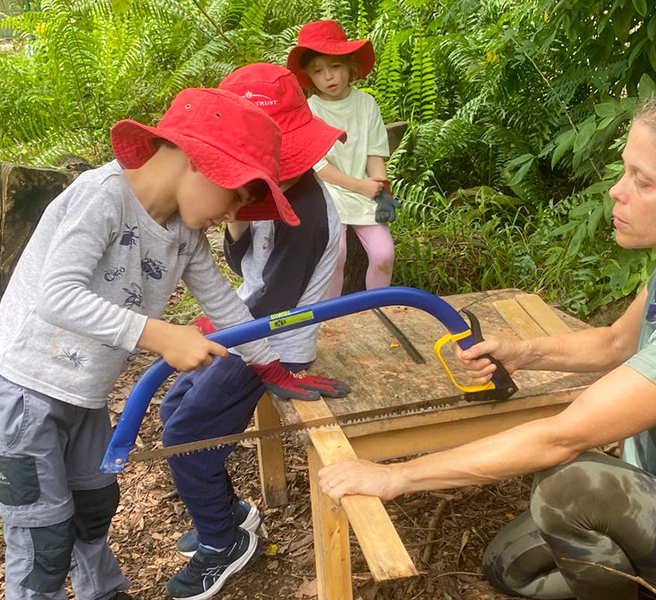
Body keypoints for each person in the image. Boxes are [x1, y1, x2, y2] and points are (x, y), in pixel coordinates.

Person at [316, 89, 656, 600]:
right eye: (625, 170)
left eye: (643, 181)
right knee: (508, 567)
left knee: (569, 484)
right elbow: (617, 341)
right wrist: (520, 353)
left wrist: (396, 476)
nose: (617, 192)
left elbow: (560, 437)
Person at [0, 87, 307, 600]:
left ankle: (102, 590)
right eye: (236, 196)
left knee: (93, 507)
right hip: (26, 391)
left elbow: (226, 306)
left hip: (85, 394)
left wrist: (270, 367)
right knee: (43, 536)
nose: (232, 214)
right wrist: (159, 334)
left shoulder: (182, 233)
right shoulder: (102, 196)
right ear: (199, 162)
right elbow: (56, 296)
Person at [159, 63, 351, 600]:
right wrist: (238, 225)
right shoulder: (263, 196)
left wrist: (200, 328)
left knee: (186, 436)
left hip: (275, 344)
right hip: (247, 328)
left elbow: (274, 302)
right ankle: (230, 514)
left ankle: (222, 544)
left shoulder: (306, 209)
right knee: (175, 414)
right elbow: (246, 265)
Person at [287, 19, 398, 298]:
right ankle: (332, 318)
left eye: (335, 66)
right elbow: (318, 164)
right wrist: (359, 185)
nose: (329, 77)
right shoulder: (310, 109)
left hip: (363, 192)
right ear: (309, 77)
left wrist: (381, 188)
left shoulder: (366, 104)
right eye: (318, 71)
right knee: (336, 255)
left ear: (349, 65)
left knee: (384, 254)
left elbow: (374, 152)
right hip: (327, 193)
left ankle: (377, 310)